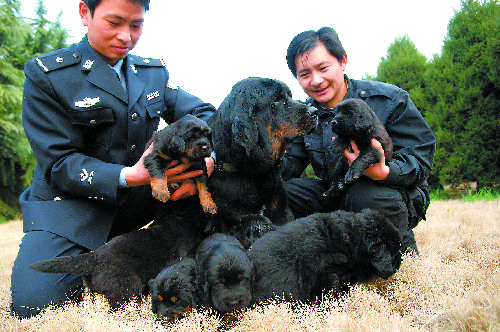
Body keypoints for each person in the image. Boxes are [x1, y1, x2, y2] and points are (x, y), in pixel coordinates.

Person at [10, 0, 216, 318]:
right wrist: (130, 176)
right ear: (84, 13)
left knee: (201, 185)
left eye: (136, 25)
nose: (126, 36)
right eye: (114, 22)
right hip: (69, 207)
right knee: (35, 306)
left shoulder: (151, 73)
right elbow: (59, 163)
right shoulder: (48, 75)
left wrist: (208, 155)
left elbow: (204, 114)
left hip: (138, 203)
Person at [282, 27, 436, 254]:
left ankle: (403, 255)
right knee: (282, 192)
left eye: (323, 68)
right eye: (305, 74)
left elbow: (420, 158)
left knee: (364, 194)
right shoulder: (304, 116)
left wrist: (385, 172)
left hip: (391, 192)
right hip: (336, 192)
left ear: (343, 61)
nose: (316, 80)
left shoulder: (389, 100)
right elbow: (288, 166)